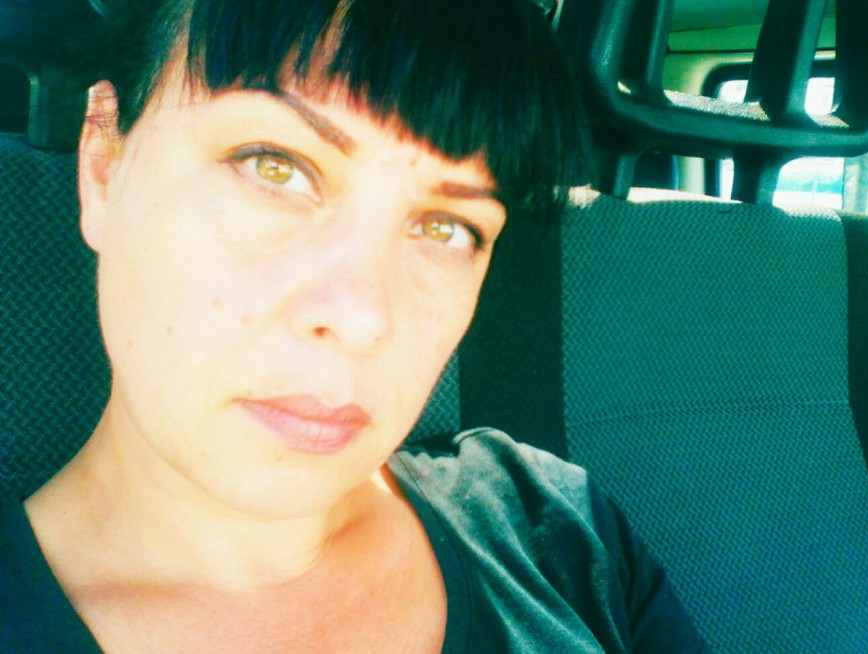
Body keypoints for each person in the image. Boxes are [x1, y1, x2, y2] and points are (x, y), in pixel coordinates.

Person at [0, 0, 708, 651]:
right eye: (274, 167)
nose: (363, 318)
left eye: (446, 227)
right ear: (103, 163)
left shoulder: (554, 529)